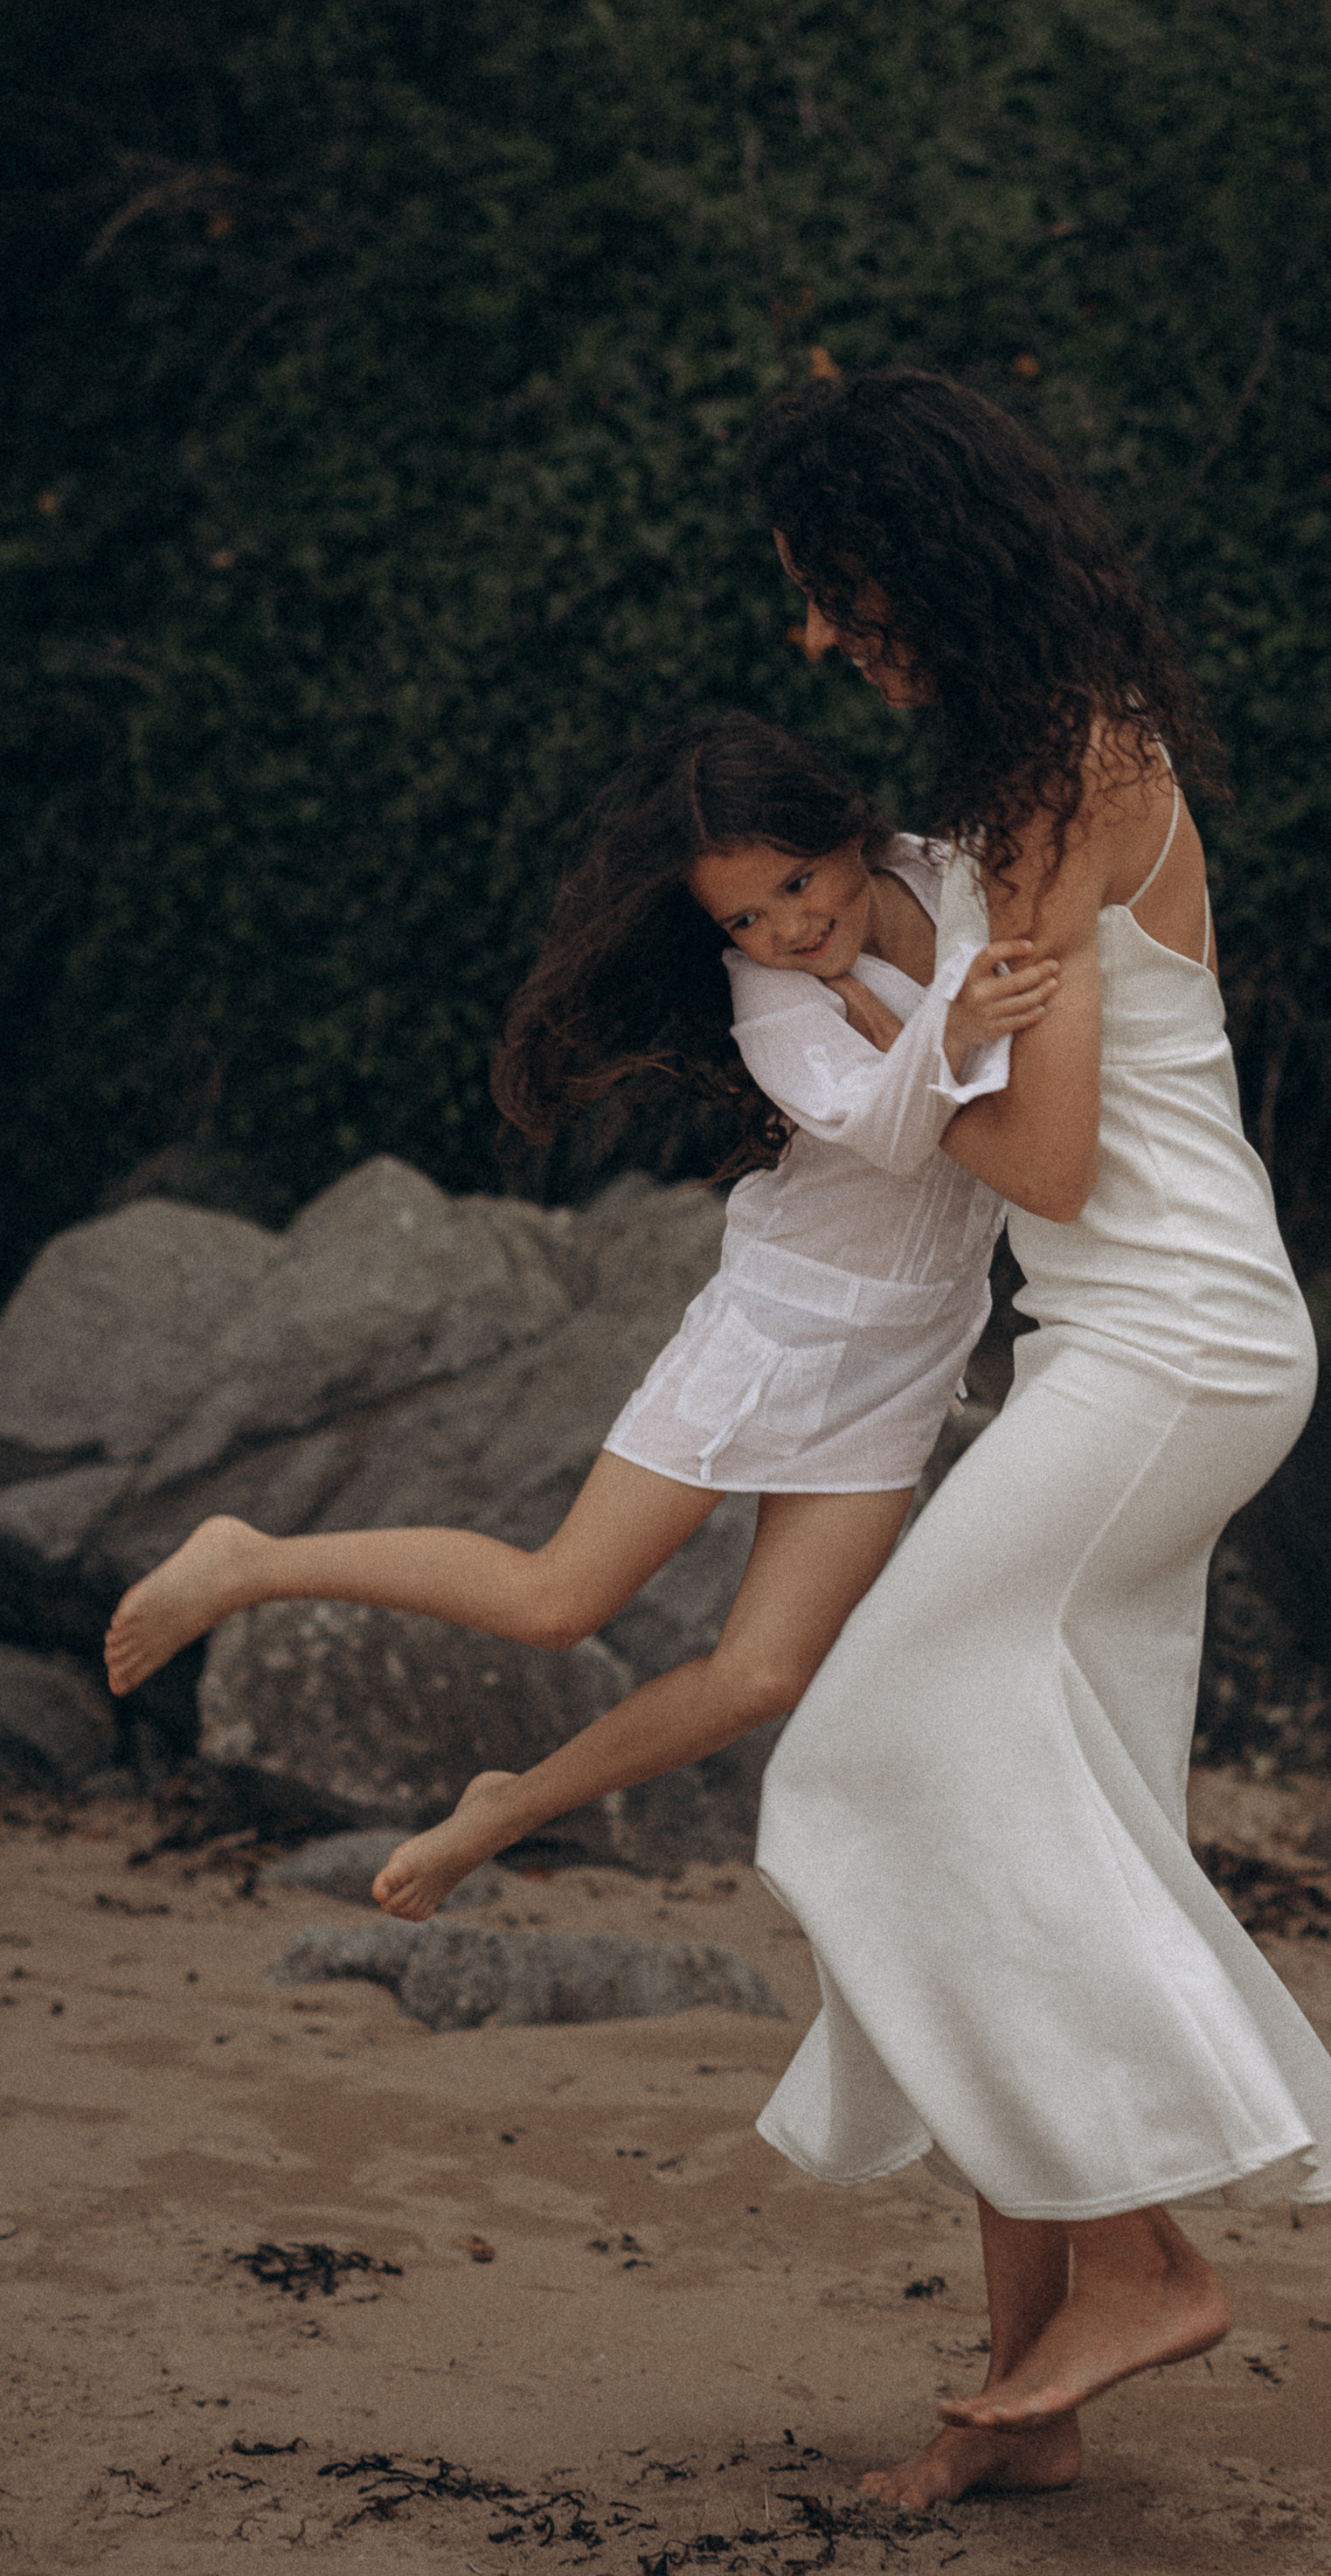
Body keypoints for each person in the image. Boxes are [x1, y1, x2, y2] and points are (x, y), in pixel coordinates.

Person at [740, 367, 1331, 2512]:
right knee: (1029, 1815)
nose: (818, 635)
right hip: (1134, 1347)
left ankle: (1143, 2260)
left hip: (1169, 1344)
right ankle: (1027, 2392)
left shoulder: (1062, 773)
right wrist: (898, 1009)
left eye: (832, 590)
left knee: (864, 1759)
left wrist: (882, 1049)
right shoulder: (1043, 760)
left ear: (920, 557)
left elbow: (1045, 1157)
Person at [103, 713, 1055, 1914]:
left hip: (909, 1353)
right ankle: (251, 1561)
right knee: (556, 1601)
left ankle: (509, 1805)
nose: (787, 929)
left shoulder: (954, 879)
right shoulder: (769, 995)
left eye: (796, 882)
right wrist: (945, 1033)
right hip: (783, 1327)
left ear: (844, 827)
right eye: (743, 918)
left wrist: (929, 1031)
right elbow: (882, 1130)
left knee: (763, 1675)